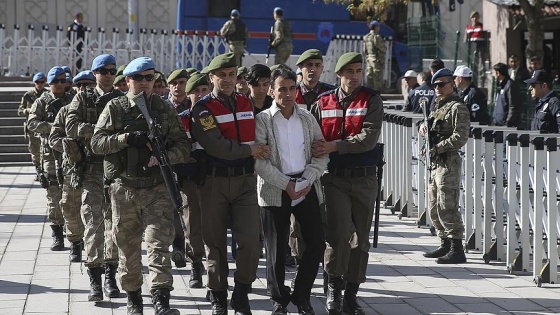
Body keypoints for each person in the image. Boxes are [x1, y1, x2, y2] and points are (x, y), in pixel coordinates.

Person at [91, 56, 189, 315]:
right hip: (124, 190)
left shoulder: (165, 108)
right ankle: (134, 299)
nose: (145, 83)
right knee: (128, 249)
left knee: (159, 246)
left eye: (150, 78)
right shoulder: (115, 107)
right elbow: (97, 143)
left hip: (157, 189)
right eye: (139, 78)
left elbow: (183, 146)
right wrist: (126, 138)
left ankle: (161, 301)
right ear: (128, 81)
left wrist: (166, 157)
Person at [190, 53, 269, 315]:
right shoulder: (202, 109)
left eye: (231, 74)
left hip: (246, 181)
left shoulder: (246, 102)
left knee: (251, 242)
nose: (226, 79)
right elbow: (217, 146)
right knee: (215, 245)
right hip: (214, 182)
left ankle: (242, 293)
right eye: (221, 75)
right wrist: (250, 151)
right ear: (211, 77)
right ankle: (218, 296)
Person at [310, 52, 383, 315]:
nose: (354, 76)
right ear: (338, 74)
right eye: (349, 71)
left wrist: (334, 146)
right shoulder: (322, 102)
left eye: (358, 71)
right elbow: (312, 137)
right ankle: (334, 289)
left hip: (364, 177)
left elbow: (368, 138)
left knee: (361, 239)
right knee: (338, 235)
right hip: (334, 179)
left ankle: (352, 293)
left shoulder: (371, 99)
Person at [255, 67, 328, 315]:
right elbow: (260, 162)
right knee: (275, 248)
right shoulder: (263, 119)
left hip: (305, 184)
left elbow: (321, 154)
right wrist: (285, 184)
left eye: (292, 88)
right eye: (282, 89)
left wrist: (307, 178)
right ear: (271, 91)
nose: (288, 94)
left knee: (317, 242)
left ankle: (302, 295)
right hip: (276, 187)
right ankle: (278, 300)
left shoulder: (307, 118)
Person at [66, 54, 123, 302]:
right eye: (104, 71)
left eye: (112, 71)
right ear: (95, 73)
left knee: (116, 224)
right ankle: (95, 278)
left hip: (117, 169)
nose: (109, 75)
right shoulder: (83, 97)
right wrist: (100, 132)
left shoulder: (122, 99)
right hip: (91, 170)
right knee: (93, 223)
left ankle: (111, 275)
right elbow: (71, 126)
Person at [419, 68, 470, 264]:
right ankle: (445, 243)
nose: (437, 88)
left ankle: (457, 248)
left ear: (452, 84)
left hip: (448, 161)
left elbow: (460, 136)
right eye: (435, 85)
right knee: (434, 205)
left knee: (447, 205)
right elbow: (430, 129)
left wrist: (438, 148)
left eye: (442, 84)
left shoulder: (457, 108)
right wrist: (423, 129)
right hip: (436, 163)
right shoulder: (437, 107)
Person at [27, 66, 74, 251]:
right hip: (50, 155)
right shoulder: (42, 101)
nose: (60, 84)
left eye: (63, 81)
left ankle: (75, 237)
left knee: (72, 196)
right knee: (54, 195)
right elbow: (32, 123)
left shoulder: (72, 99)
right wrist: (54, 126)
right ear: (50, 83)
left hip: (71, 153)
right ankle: (57, 234)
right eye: (56, 81)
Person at [172, 73, 209, 289]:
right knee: (192, 221)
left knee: (214, 224)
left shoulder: (217, 114)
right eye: (196, 91)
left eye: (204, 90)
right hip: (190, 178)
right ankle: (195, 263)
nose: (201, 95)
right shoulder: (182, 118)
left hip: (215, 177)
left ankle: (215, 268)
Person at [47, 94, 84, 264]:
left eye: (88, 85)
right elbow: (53, 139)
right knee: (69, 206)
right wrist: (70, 146)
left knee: (100, 211)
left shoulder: (107, 106)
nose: (85, 89)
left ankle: (105, 262)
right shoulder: (65, 111)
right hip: (73, 168)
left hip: (99, 169)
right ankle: (75, 242)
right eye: (81, 86)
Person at [19, 72, 47, 180]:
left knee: (45, 150)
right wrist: (29, 111)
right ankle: (39, 171)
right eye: (37, 82)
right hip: (32, 128)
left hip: (44, 127)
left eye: (42, 82)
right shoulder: (28, 95)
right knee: (35, 151)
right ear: (34, 83)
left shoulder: (47, 95)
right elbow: (20, 110)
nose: (39, 84)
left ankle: (45, 171)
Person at [492, 62, 522, 127]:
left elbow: (513, 106)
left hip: (507, 127)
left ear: (498, 73)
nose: (493, 75)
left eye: (494, 73)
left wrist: (507, 123)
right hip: (498, 125)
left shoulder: (510, 85)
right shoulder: (500, 86)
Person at [465, 11, 488, 87]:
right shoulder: (468, 27)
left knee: (481, 66)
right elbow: (465, 39)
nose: (475, 18)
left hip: (480, 47)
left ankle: (481, 84)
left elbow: (485, 38)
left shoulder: (481, 26)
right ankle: (472, 82)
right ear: (471, 18)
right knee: (472, 66)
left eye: (477, 17)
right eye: (473, 17)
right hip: (472, 48)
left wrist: (486, 51)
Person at [363, 20, 386, 92]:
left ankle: (368, 91)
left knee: (369, 75)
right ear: (375, 27)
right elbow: (383, 48)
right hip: (376, 59)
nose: (379, 28)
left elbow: (365, 49)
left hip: (369, 58)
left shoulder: (366, 37)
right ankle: (377, 92)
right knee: (377, 75)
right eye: (378, 26)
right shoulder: (377, 36)